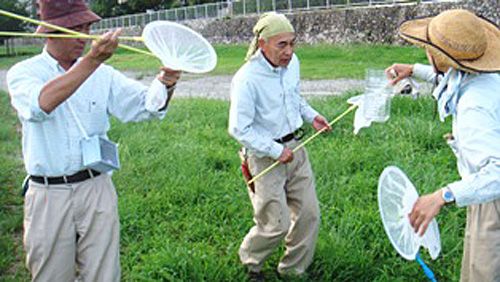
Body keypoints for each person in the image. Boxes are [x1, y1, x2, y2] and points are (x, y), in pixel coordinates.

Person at [6, 0, 181, 281]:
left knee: (104, 273)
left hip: (97, 186)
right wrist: (92, 60)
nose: (85, 36)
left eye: (87, 26)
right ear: (51, 31)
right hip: (49, 192)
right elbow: (39, 106)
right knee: (50, 274)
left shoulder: (103, 73)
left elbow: (145, 107)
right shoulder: (24, 72)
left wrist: (166, 82)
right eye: (76, 28)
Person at [385, 9, 500, 281]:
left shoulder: (474, 107)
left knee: (484, 273)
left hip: (493, 197)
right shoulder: (487, 79)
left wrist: (441, 196)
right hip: (483, 193)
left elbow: (497, 173)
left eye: (428, 48)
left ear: (438, 56)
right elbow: (451, 79)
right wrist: (414, 70)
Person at [228, 12, 331, 280]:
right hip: (265, 157)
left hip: (296, 147)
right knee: (275, 224)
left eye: (292, 43)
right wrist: (276, 151)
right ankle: (251, 263)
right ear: (262, 44)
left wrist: (312, 116)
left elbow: (294, 98)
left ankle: (292, 270)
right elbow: (239, 128)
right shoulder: (246, 78)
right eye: (281, 45)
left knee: (309, 214)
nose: (289, 52)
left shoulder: (292, 63)